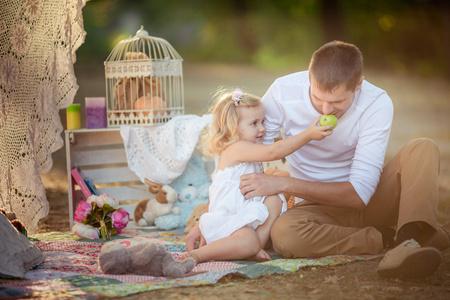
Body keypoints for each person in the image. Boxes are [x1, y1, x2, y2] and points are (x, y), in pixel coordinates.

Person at [186, 41, 449, 279]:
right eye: (318, 98)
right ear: (308, 78)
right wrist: (211, 214)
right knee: (285, 235)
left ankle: (410, 244)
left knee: (422, 148)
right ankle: (397, 237)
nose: (326, 110)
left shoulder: (377, 103)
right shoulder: (283, 92)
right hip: (314, 209)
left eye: (337, 102)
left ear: (358, 85)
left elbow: (360, 195)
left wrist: (283, 185)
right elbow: (242, 161)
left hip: (369, 197)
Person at [181, 88, 333, 264]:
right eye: (254, 123)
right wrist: (308, 135)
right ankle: (200, 255)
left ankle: (254, 247)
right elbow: (273, 152)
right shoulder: (237, 148)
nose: (262, 128)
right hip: (227, 222)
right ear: (232, 128)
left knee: (275, 200)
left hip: (244, 216)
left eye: (263, 122)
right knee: (248, 239)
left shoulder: (248, 149)